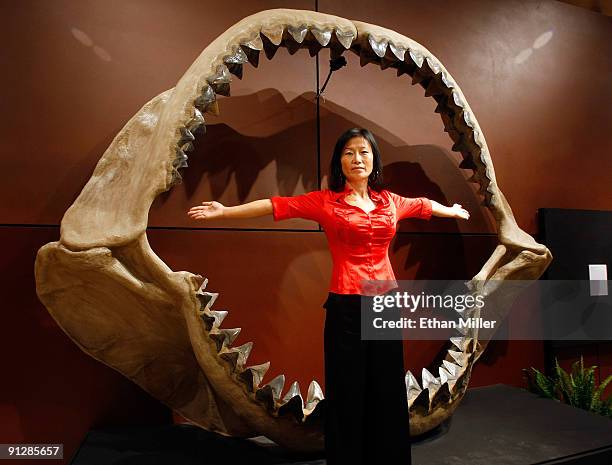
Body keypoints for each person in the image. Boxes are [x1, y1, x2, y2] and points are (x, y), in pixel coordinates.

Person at [187, 128, 470, 464]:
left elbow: (424, 206)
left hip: (384, 300)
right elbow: (277, 205)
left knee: (386, 387)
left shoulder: (390, 202)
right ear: (340, 161)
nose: (357, 159)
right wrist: (225, 211)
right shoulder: (325, 202)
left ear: (373, 159)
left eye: (364, 152)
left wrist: (451, 210)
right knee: (347, 387)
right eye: (349, 152)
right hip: (346, 302)